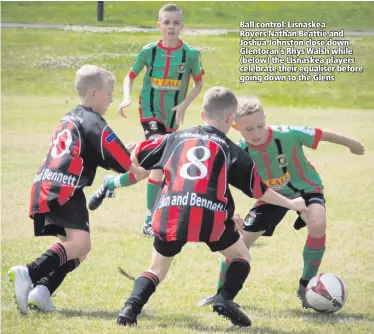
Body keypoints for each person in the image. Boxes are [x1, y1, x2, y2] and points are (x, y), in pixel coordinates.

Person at [116, 87, 308, 327]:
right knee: (241, 256)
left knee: (156, 269)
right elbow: (260, 191)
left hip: (170, 212)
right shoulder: (230, 148)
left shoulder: (174, 138)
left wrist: (131, 157)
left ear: (203, 113)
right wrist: (291, 202)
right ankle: (224, 298)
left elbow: (134, 156)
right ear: (230, 118)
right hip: (210, 216)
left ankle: (129, 309)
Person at [197, 95, 365, 308]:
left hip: (305, 189)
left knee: (317, 222)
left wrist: (351, 143)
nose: (256, 134)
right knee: (238, 244)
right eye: (249, 130)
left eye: (260, 126)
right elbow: (219, 182)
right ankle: (221, 293)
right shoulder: (238, 151)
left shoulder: (287, 134)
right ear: (235, 127)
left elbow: (321, 134)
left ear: (265, 118)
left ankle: (306, 287)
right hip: (271, 197)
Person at [8, 64, 147, 315]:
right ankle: (28, 272)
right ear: (94, 93)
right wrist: (140, 169)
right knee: (79, 243)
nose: (111, 98)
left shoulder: (72, 116)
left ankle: (42, 291)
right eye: (109, 93)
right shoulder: (94, 121)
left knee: (77, 248)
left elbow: (98, 151)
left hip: (48, 183)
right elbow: (121, 159)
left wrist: (126, 156)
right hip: (65, 187)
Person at [88, 3, 204, 238]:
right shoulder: (149, 52)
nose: (171, 27)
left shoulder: (190, 55)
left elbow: (199, 83)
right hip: (149, 112)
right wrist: (127, 99)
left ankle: (112, 184)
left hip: (172, 118)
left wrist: (184, 105)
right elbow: (129, 77)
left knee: (148, 169)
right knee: (161, 161)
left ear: (182, 26)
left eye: (176, 23)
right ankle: (150, 220)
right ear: (159, 24)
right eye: (167, 22)